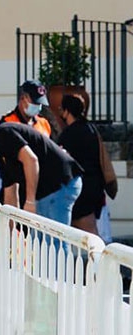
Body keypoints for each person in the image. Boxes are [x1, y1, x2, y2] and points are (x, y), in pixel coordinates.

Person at [0, 123, 83, 225]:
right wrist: (10, 230)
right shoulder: (2, 155)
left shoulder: (3, 134)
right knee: (40, 241)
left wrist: (30, 201)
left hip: (59, 183)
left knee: (55, 241)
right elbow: (10, 192)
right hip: (50, 190)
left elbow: (31, 160)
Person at [58, 94, 104, 235]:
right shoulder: (91, 129)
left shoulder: (68, 134)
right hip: (95, 185)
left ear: (67, 111)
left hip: (81, 188)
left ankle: (98, 257)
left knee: (88, 232)